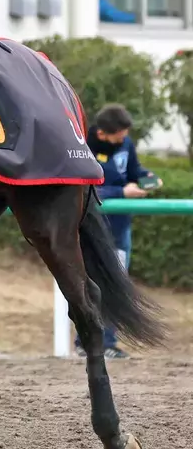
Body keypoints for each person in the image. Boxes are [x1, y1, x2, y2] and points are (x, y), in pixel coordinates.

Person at [75, 103, 162, 359]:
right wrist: (121, 192)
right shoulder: (82, 148)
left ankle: (109, 342)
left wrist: (148, 177)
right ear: (102, 133)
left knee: (117, 283)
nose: (124, 138)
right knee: (90, 285)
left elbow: (133, 171)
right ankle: (86, 340)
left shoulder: (126, 145)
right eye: (120, 134)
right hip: (92, 230)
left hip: (121, 228)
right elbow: (81, 188)